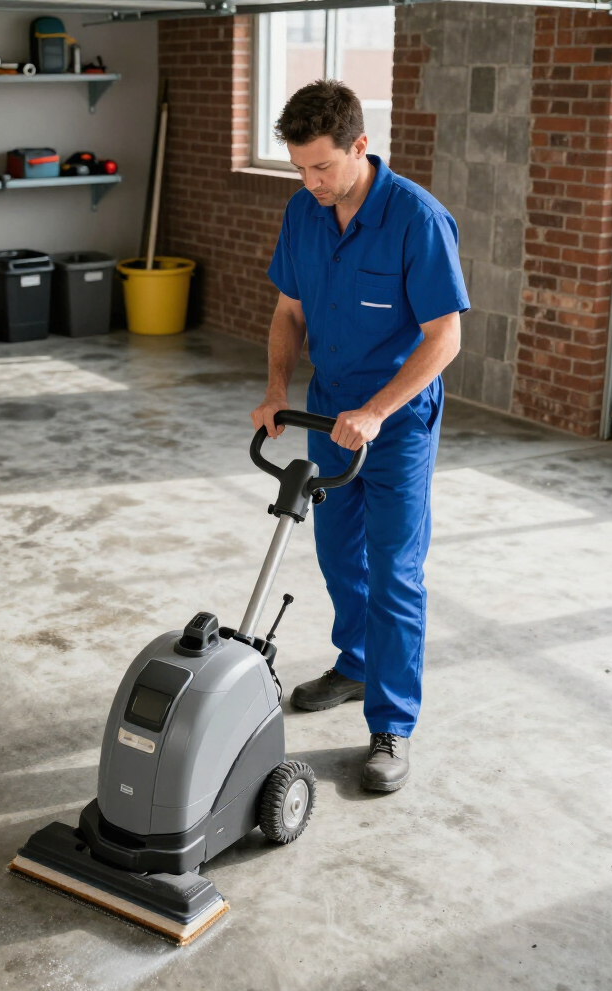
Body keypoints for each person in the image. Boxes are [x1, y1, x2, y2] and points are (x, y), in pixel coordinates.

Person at [251, 80, 469, 792]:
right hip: (328, 410)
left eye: (323, 167)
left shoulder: (416, 220)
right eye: (299, 168)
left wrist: (378, 410)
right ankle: (355, 663)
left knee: (395, 571)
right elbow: (289, 312)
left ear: (360, 147)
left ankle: (392, 725)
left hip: (396, 422)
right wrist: (278, 389)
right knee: (338, 554)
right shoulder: (303, 212)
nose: (311, 182)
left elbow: (445, 338)